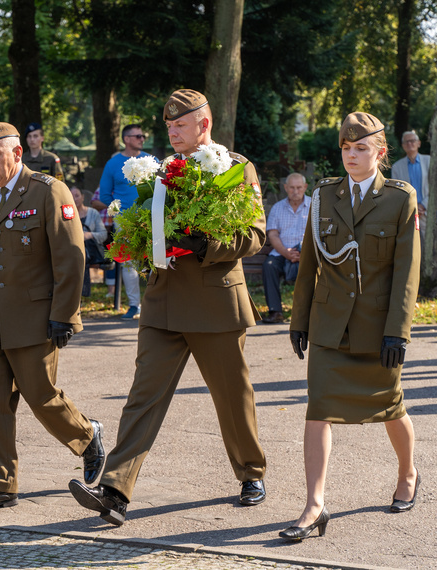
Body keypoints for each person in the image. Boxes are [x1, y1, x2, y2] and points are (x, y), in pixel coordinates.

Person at [68, 89, 269, 526]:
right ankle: (114, 491)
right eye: (169, 126)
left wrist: (208, 245)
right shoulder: (157, 174)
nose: (173, 131)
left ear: (205, 124)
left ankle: (251, 473)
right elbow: (148, 230)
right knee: (142, 398)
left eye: (181, 124)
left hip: (215, 303)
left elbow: (255, 235)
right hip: (163, 303)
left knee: (233, 398)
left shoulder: (236, 169)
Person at [284, 112, 422, 541]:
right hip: (329, 325)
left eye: (361, 147)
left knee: (390, 406)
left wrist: (398, 330)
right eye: (345, 148)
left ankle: (408, 472)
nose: (351, 155)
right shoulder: (324, 195)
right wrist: (299, 319)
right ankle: (314, 505)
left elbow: (407, 270)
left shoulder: (401, 198)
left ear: (381, 152)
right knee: (318, 408)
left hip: (376, 327)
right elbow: (310, 262)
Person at [0, 122, 105, 514]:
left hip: (36, 318)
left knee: (41, 395)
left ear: (17, 154)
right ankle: (1, 484)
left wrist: (65, 314)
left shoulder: (46, 190)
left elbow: (71, 257)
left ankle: (88, 436)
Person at [98, 123, 153, 319]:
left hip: (152, 218)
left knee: (157, 260)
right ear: (127, 139)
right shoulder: (113, 164)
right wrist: (119, 212)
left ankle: (156, 305)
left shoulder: (151, 160)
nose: (142, 139)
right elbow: (104, 195)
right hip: (125, 220)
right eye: (138, 136)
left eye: (142, 136)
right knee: (129, 263)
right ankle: (133, 305)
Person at [260, 172, 310, 324]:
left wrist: (306, 253)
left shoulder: (315, 205)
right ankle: (275, 312)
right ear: (286, 188)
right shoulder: (277, 208)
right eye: (292, 188)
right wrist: (286, 253)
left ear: (305, 187)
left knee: (315, 268)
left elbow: (318, 233)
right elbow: (273, 235)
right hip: (282, 252)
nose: (296, 191)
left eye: (299, 187)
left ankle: (308, 313)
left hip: (307, 252)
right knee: (269, 266)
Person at [391, 130, 430, 242]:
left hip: (427, 211)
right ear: (403, 146)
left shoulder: (429, 161)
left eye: (412, 141)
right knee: (412, 247)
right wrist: (413, 208)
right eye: (406, 142)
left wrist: (423, 205)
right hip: (408, 214)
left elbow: (435, 188)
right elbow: (397, 193)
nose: (409, 144)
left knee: (430, 248)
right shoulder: (397, 167)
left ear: (419, 143)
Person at [72, 185, 107, 297]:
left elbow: (103, 234)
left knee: (83, 254)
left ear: (82, 197)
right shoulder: (66, 215)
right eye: (71, 196)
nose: (74, 199)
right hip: (72, 252)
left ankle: (84, 292)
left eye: (77, 196)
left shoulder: (93, 213)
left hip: (91, 253)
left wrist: (89, 235)